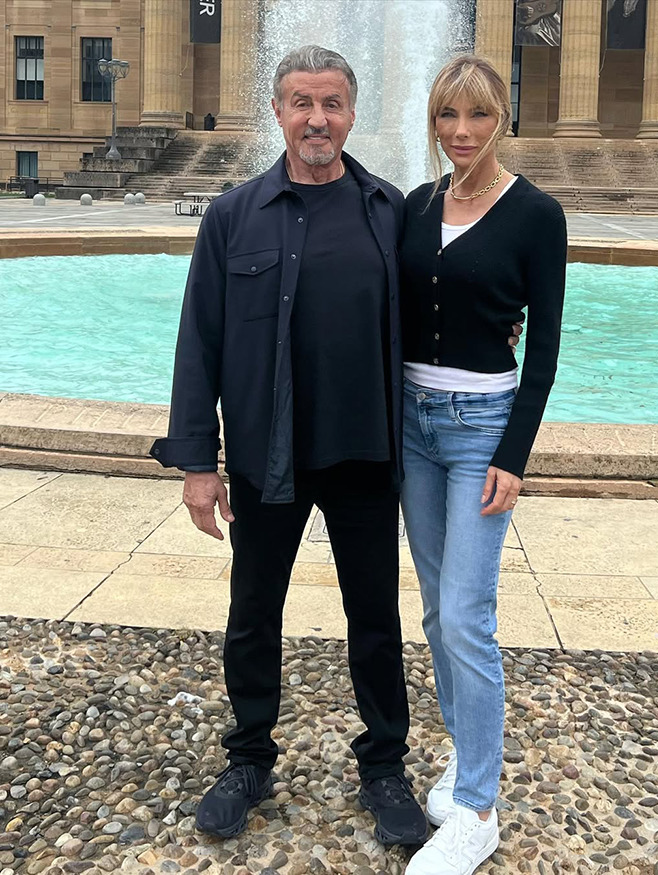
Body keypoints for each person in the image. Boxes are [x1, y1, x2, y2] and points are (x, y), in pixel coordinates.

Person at [149, 44, 430, 846]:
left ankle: (383, 764)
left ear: (351, 112)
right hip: (267, 456)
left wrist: (492, 327)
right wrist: (197, 462)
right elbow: (197, 341)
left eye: (332, 103)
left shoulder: (388, 208)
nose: (317, 119)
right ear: (277, 111)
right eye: (301, 102)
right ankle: (248, 757)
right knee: (252, 611)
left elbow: (434, 301)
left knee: (374, 616)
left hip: (367, 454)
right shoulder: (234, 214)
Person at [400, 56, 567, 875]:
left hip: (479, 431)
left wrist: (515, 453)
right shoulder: (417, 204)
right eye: (446, 117)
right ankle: (465, 763)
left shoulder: (537, 213)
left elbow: (543, 351)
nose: (460, 133)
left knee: (468, 615)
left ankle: (477, 806)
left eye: (476, 117)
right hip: (412, 425)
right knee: (436, 611)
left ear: (502, 118)